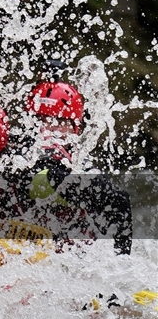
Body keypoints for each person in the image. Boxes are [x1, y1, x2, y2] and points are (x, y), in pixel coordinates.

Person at [18, 78, 133, 255]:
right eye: (41, 120)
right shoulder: (16, 154)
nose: (48, 129)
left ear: (74, 128)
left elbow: (119, 201)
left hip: (70, 257)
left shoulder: (80, 167)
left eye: (59, 122)